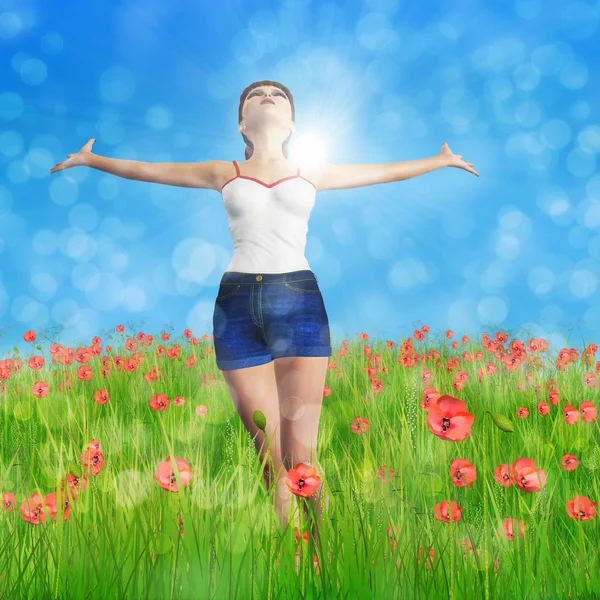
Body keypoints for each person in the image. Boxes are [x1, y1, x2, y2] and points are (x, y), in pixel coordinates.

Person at [50, 80, 479, 548]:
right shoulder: (222, 171)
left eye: (278, 95)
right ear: (242, 123)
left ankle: (329, 560)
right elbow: (151, 170)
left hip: (298, 300)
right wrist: (93, 160)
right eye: (256, 96)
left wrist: (439, 161)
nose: (268, 96)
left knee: (303, 459)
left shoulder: (310, 172)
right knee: (271, 461)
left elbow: (383, 172)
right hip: (236, 306)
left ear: (292, 122)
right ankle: (292, 575)